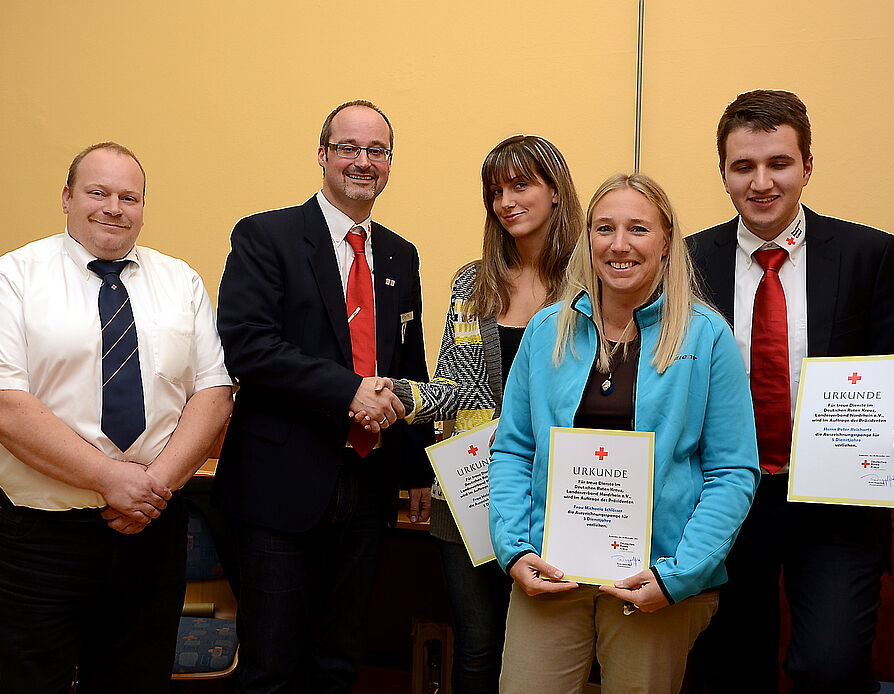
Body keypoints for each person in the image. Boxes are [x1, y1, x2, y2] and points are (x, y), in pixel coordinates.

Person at [0, 142, 234, 694]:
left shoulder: (180, 281)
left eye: (129, 197)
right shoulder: (10, 279)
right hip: (43, 535)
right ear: (67, 197)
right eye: (98, 192)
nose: (114, 207)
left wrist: (152, 488)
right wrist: (112, 480)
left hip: (152, 530)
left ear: (143, 208)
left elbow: (214, 394)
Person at [688, 89, 894, 694]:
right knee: (729, 672)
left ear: (808, 166)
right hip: (727, 497)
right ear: (723, 173)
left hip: (835, 502)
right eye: (743, 166)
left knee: (829, 666)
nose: (761, 182)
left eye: (779, 163)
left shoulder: (866, 253)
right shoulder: (688, 261)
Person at [488, 172, 760, 694]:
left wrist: (677, 575)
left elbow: (732, 471)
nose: (619, 244)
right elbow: (513, 451)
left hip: (653, 580)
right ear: (587, 238)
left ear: (666, 242)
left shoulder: (706, 336)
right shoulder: (547, 330)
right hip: (551, 572)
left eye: (638, 228)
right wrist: (515, 550)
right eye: (604, 228)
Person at [212, 99, 434, 693]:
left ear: (390, 163)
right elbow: (248, 347)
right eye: (348, 147)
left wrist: (417, 468)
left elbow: (408, 366)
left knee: (338, 661)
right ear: (322, 154)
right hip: (279, 485)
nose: (363, 161)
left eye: (377, 151)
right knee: (271, 667)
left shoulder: (400, 254)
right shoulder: (267, 236)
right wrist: (349, 391)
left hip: (367, 485)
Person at [363, 134, 583, 693]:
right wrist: (397, 396)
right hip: (471, 492)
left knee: (546, 652)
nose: (506, 201)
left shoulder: (591, 281)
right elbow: (455, 387)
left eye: (520, 185)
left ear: (556, 191)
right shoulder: (473, 281)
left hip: (564, 492)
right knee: (477, 648)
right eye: (495, 191)